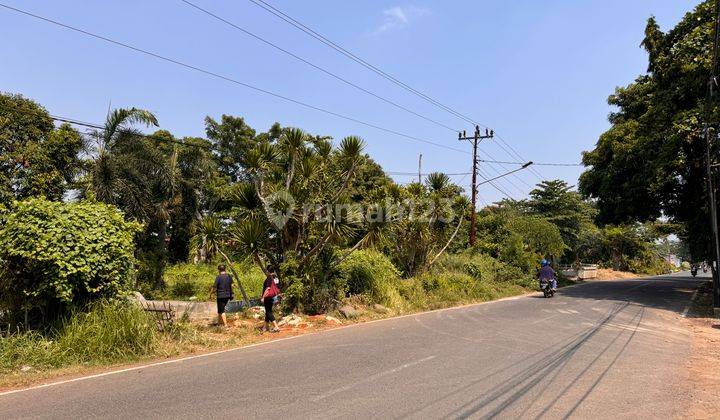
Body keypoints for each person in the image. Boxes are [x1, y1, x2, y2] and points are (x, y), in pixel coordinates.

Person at [261, 267, 280, 333]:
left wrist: (263, 297)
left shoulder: (269, 277)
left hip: (268, 296)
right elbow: (277, 287)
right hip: (273, 296)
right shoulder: (276, 277)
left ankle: (276, 327)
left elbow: (268, 288)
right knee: (268, 311)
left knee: (269, 312)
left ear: (268, 271)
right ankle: (265, 327)